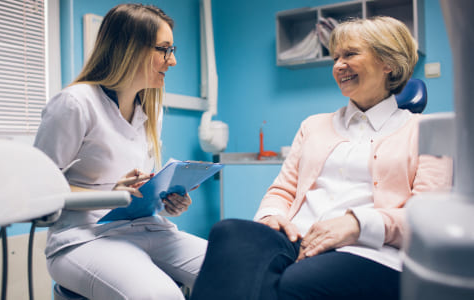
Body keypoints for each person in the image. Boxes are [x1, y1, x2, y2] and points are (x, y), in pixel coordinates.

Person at [190, 16, 453, 300]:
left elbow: (427, 219)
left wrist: (358, 224)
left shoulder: (428, 132)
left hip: (368, 250)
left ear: (388, 62)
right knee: (229, 232)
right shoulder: (313, 125)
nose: (339, 65)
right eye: (335, 57)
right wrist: (272, 217)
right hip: (293, 239)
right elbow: (283, 190)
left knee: (290, 283)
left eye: (350, 54)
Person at [34, 4, 207, 300]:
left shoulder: (150, 110)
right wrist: (112, 193)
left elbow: (137, 186)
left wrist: (165, 196)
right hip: (81, 238)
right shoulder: (76, 103)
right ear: (130, 49)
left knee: (236, 272)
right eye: (164, 49)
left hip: (148, 228)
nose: (173, 60)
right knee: (162, 296)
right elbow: (36, 190)